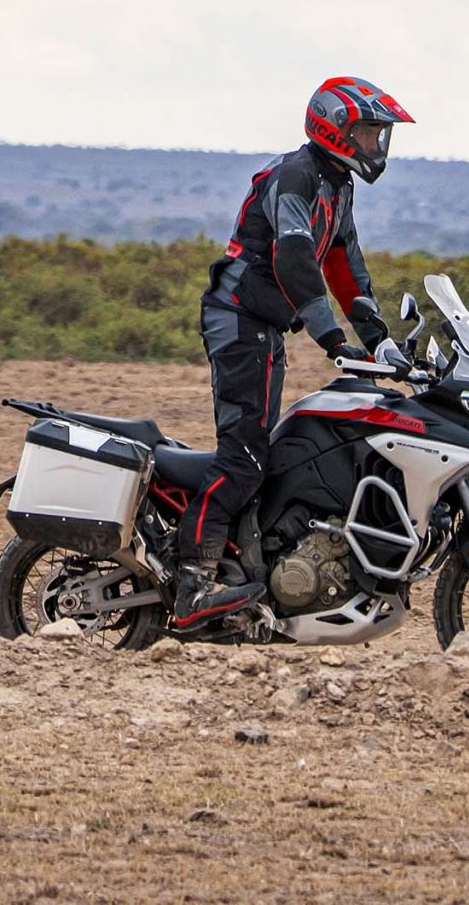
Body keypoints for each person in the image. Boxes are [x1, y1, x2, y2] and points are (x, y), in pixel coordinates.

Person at [170, 76, 414, 628]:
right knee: (245, 457)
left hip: (263, 326)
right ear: (335, 128)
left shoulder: (337, 186)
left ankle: (260, 559)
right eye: (369, 131)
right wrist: (333, 341)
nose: (377, 143)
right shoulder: (297, 176)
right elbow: (295, 259)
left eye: (380, 134)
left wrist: (381, 342)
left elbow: (346, 268)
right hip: (239, 319)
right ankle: (192, 585)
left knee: (280, 453)